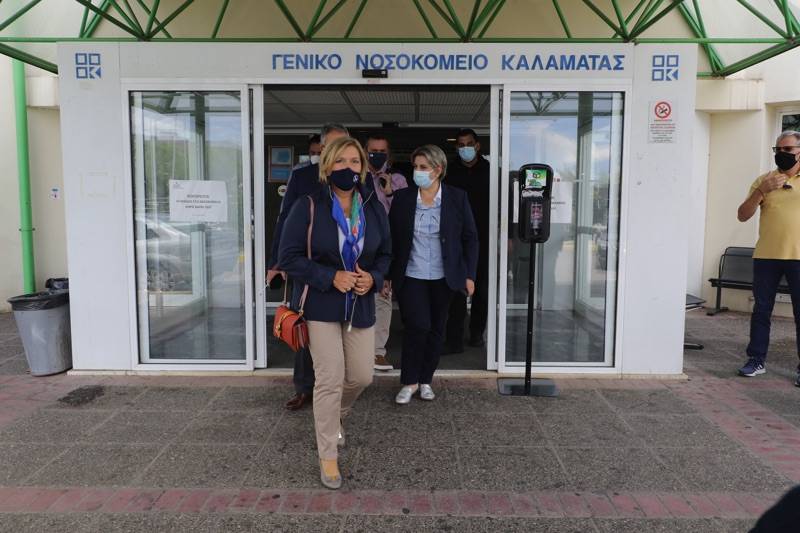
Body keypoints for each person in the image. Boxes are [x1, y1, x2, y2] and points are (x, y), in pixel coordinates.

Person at [279, 136, 392, 489]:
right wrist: (331, 277)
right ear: (327, 166)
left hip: (360, 303)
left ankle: (334, 416)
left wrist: (372, 278)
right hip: (321, 304)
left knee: (361, 376)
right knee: (329, 379)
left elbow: (386, 254)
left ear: (363, 167)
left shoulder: (372, 206)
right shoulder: (308, 205)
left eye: (355, 162)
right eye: (340, 161)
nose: (348, 168)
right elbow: (288, 257)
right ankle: (328, 454)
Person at [387, 144, 478, 404]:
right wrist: (387, 274)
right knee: (418, 326)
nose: (417, 171)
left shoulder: (457, 198)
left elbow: (470, 238)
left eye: (423, 167)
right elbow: (391, 239)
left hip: (444, 276)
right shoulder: (403, 198)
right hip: (411, 274)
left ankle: (425, 379)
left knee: (437, 329)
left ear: (438, 170)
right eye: (415, 166)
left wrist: (469, 275)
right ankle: (409, 381)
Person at [267, 123, 349, 411]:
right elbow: (285, 219)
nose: (339, 153)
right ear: (323, 148)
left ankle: (339, 387)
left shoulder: (354, 176)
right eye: (334, 146)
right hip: (306, 265)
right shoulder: (302, 176)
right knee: (305, 328)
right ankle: (304, 387)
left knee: (344, 330)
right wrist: (276, 262)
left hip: (345, 267)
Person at [736, 130, 800, 386]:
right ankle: (756, 360)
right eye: (778, 150)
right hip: (767, 257)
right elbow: (742, 215)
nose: (782, 154)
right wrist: (761, 191)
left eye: (788, 149)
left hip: (798, 258)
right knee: (761, 311)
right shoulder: (764, 180)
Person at [443, 128, 490, 354]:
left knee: (481, 288)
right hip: (456, 238)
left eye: (469, 144)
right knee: (456, 289)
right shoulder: (450, 172)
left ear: (477, 146)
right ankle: (454, 339)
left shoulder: (491, 171)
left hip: (484, 238)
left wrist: (508, 236)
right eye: (461, 145)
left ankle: (476, 334)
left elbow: (504, 204)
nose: (465, 149)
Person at [365, 134, 408, 371]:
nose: (377, 155)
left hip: (387, 245)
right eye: (373, 150)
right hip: (360, 244)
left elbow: (405, 214)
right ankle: (357, 350)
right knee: (359, 295)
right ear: (365, 152)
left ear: (388, 154)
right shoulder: (356, 177)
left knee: (383, 296)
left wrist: (390, 192)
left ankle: (377, 352)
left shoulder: (398, 179)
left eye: (382, 151)